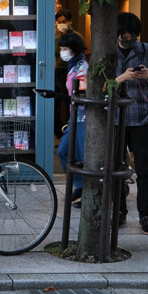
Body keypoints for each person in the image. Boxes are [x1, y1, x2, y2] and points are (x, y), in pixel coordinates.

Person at [115, 12, 148, 235]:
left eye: (132, 37)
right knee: (116, 168)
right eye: (124, 36)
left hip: (142, 116)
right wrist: (121, 78)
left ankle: (146, 216)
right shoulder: (107, 52)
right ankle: (119, 211)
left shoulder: (147, 50)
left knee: (144, 169)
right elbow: (98, 86)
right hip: (115, 118)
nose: (128, 40)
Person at [56, 32, 88, 205]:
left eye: (65, 48)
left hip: (84, 117)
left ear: (74, 49)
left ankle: (86, 191)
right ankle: (79, 185)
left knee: (83, 155)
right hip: (74, 117)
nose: (62, 52)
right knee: (63, 150)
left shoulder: (82, 68)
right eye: (61, 48)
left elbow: (82, 93)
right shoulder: (71, 66)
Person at [54, 10, 84, 138]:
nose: (62, 25)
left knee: (70, 104)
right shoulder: (57, 38)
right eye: (59, 22)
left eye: (64, 22)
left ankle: (71, 135)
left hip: (73, 72)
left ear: (70, 22)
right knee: (52, 104)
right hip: (59, 73)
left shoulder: (77, 37)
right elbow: (54, 56)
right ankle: (61, 133)